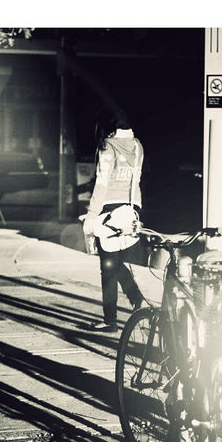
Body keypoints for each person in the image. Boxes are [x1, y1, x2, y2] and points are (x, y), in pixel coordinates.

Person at [81, 107, 145, 332]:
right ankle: (137, 299)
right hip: (131, 208)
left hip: (108, 209)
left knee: (108, 266)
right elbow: (136, 180)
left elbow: (102, 183)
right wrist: (135, 210)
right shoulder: (137, 145)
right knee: (117, 263)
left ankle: (110, 321)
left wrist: (92, 214)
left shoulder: (107, 146)